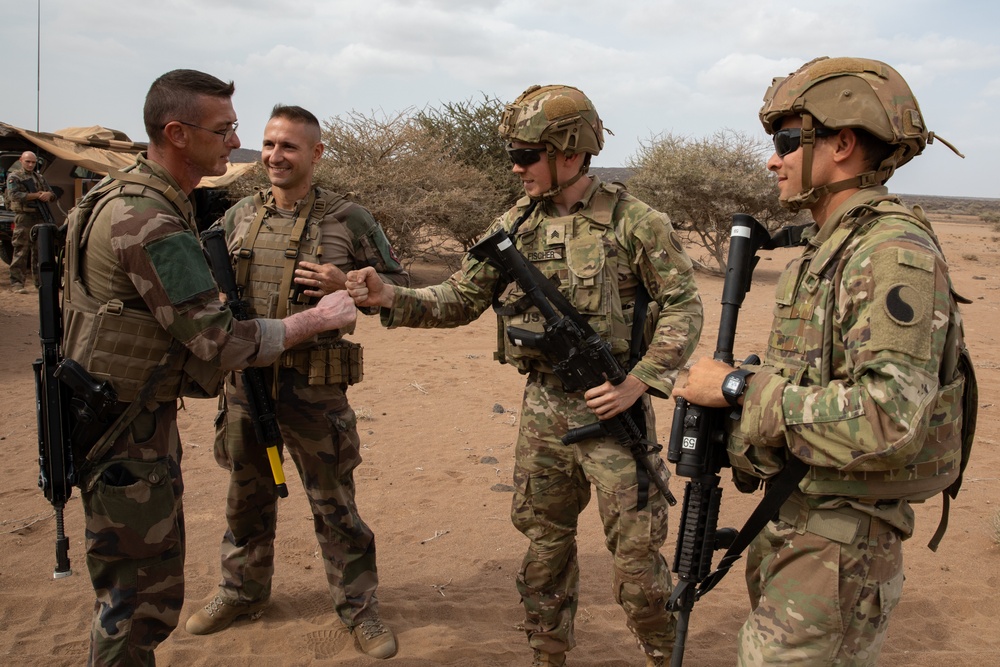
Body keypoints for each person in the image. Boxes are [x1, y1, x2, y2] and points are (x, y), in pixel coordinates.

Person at [346, 84, 703, 667]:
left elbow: (685, 306)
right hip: (544, 411)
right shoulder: (517, 223)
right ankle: (547, 655)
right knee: (544, 552)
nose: (515, 168)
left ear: (569, 152)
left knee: (638, 564)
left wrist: (640, 380)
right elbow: (459, 298)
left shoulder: (637, 223)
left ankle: (665, 655)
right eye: (512, 155)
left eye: (526, 155)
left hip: (613, 409)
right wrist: (388, 296)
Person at [673, 56, 972, 666]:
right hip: (803, 526)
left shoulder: (889, 253)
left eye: (787, 140)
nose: (772, 158)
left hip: (841, 547)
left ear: (842, 143)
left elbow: (889, 418)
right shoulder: (830, 247)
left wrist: (735, 389)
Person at [61, 70, 357, 666]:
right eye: (224, 130)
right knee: (138, 602)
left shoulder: (118, 197)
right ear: (177, 133)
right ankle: (241, 591)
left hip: (119, 414)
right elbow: (218, 343)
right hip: (127, 431)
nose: (237, 143)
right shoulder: (153, 220)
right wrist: (315, 320)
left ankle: (356, 602)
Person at [184, 105, 408, 659]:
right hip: (246, 385)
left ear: (316, 153)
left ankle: (360, 610)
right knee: (245, 497)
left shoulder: (349, 219)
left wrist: (347, 283)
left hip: (315, 391)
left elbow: (394, 286)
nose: (274, 157)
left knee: (334, 503)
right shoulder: (237, 217)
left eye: (287, 147)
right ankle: (240, 591)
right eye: (267, 145)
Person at [6, 150, 56, 293]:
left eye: (33, 162)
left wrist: (48, 195)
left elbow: (52, 194)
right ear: (21, 160)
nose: (30, 164)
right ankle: (17, 283)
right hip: (24, 217)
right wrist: (36, 196)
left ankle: (39, 282)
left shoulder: (38, 177)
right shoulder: (15, 176)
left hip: (40, 216)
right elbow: (14, 195)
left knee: (39, 251)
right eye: (28, 161)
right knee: (21, 250)